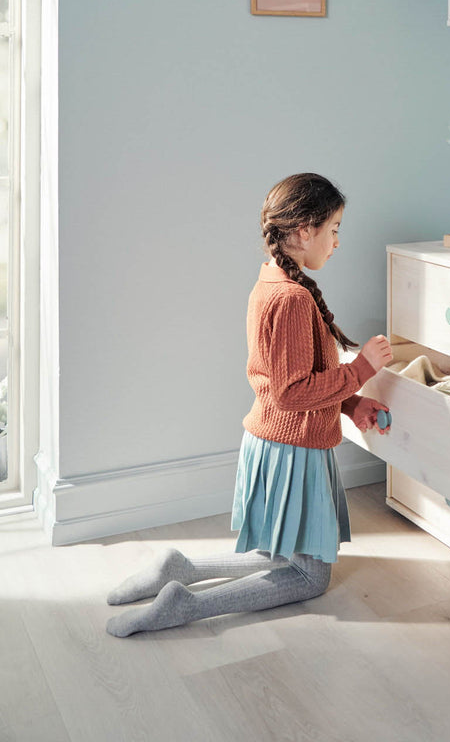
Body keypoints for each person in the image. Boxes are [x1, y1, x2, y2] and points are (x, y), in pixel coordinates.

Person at [106, 172, 393, 637]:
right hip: (294, 451)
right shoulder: (293, 299)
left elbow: (297, 379)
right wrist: (360, 369)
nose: (338, 242)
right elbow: (292, 392)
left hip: (276, 442)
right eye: (334, 228)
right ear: (305, 231)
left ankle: (178, 567)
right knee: (307, 576)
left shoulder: (273, 283)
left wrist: (350, 403)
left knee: (278, 555)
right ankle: (186, 604)